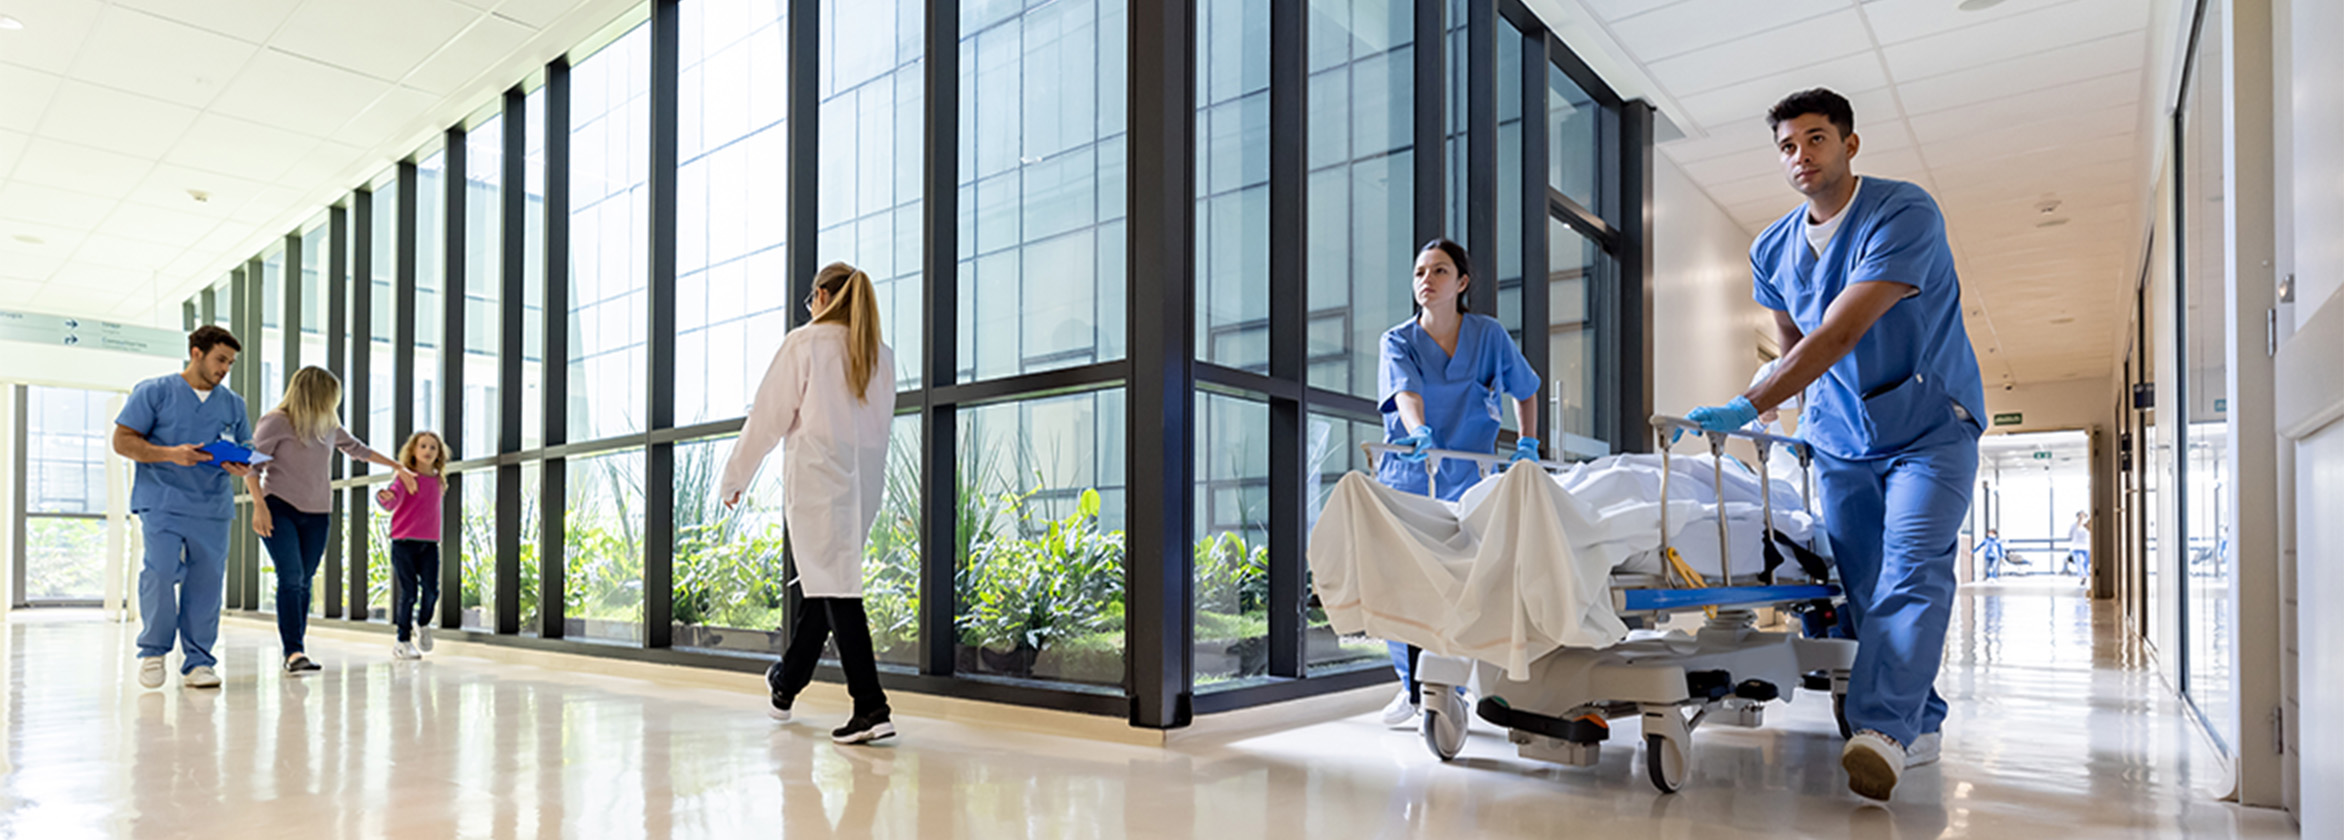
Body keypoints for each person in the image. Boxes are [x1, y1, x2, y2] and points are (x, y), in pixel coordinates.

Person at [1677, 88, 1985, 800]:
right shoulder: (1770, 249)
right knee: (1867, 586)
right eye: (1787, 146)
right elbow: (1795, 346)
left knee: (1913, 567)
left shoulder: (1903, 212)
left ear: (1849, 144)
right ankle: (1920, 718)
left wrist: (1750, 402)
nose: (1801, 155)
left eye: (1816, 138)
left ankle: (1881, 732)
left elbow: (1840, 331)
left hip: (1928, 426)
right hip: (1841, 436)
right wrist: (1789, 412)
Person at [720, 261, 899, 745]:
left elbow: (767, 417)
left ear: (822, 296)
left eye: (811, 299)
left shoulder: (806, 344)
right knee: (827, 584)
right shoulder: (880, 355)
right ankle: (786, 684)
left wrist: (735, 477)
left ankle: (871, 705)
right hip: (862, 486)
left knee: (836, 589)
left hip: (819, 483)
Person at [1373, 238, 1542, 729]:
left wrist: (1528, 443)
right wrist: (1418, 431)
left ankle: (1458, 682)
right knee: (1407, 581)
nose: (1426, 280)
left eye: (1440, 271)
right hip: (1411, 472)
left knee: (1466, 583)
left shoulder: (1488, 335)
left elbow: (1525, 389)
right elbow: (1406, 392)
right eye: (1419, 272)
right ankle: (1412, 686)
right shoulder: (1398, 340)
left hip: (1471, 478)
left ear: (1462, 282)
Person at [112, 325, 255, 690]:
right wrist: (170, 454)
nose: (225, 368)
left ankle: (199, 661)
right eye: (220, 359)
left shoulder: (233, 404)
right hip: (163, 500)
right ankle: (153, 651)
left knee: (207, 582)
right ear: (196, 353)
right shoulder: (154, 391)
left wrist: (241, 463)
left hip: (212, 505)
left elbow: (245, 446)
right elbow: (123, 440)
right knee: (160, 572)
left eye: (231, 363)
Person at [248, 366, 415, 674]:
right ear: (315, 393)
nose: (333, 402)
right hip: (279, 507)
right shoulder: (276, 421)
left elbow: (358, 449)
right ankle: (293, 651)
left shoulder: (328, 426)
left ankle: (297, 647)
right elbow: (251, 465)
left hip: (318, 513)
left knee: (304, 579)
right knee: (291, 576)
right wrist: (259, 505)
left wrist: (398, 467)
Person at [375, 431, 447, 660]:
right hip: (404, 543)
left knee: (432, 590)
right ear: (413, 451)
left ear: (439, 454)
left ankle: (423, 623)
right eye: (423, 446)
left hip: (429, 544)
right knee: (409, 593)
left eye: (433, 447)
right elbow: (392, 499)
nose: (428, 451)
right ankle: (402, 641)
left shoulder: (438, 480)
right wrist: (385, 496)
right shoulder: (405, 477)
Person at [2065, 512, 2091, 579]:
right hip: (2079, 547)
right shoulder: (2075, 525)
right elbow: (2069, 536)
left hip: (2084, 547)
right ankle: (2083, 575)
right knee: (2081, 563)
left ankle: (2084, 576)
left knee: (2082, 563)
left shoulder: (2086, 525)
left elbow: (2069, 536)